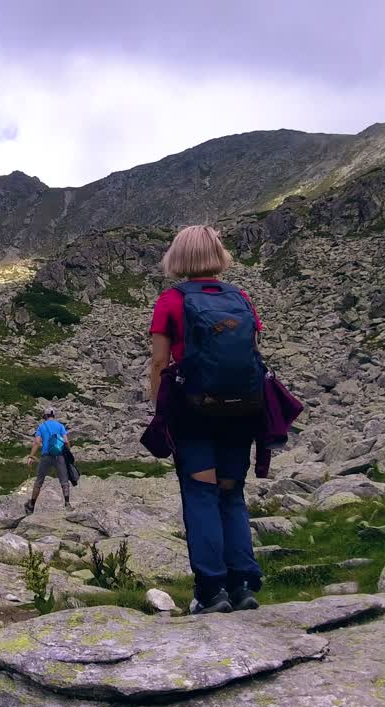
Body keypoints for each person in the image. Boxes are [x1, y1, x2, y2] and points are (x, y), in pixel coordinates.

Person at [148, 225, 263, 615]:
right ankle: (243, 584)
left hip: (194, 409)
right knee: (231, 492)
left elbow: (160, 362)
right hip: (242, 408)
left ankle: (211, 591)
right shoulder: (241, 298)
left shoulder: (171, 300)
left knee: (201, 493)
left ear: (178, 257)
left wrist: (159, 407)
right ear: (218, 254)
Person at [23, 407, 72, 513]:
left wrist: (31, 456)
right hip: (59, 455)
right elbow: (66, 441)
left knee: (39, 481)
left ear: (44, 416)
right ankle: (67, 503)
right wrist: (68, 454)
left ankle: (31, 505)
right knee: (64, 480)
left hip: (46, 456)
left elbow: (37, 442)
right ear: (54, 415)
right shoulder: (60, 426)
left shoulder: (42, 426)